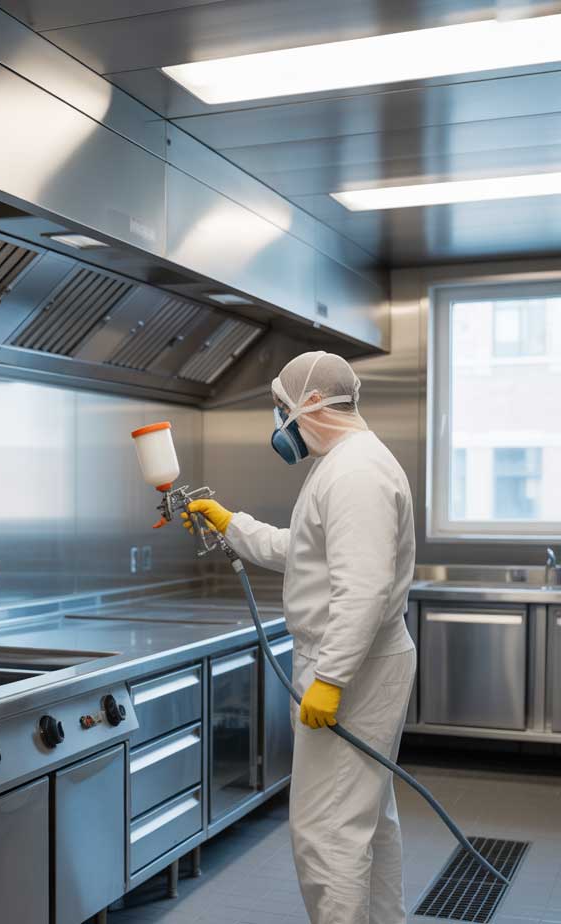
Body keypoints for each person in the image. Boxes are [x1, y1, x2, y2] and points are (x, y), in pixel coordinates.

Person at [185, 350, 416, 924]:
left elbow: (361, 587)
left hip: (351, 668)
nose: (279, 423)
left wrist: (331, 678)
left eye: (281, 409)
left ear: (311, 402)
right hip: (360, 661)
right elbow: (305, 552)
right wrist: (231, 523)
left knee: (328, 832)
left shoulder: (355, 471)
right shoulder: (344, 462)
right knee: (365, 821)